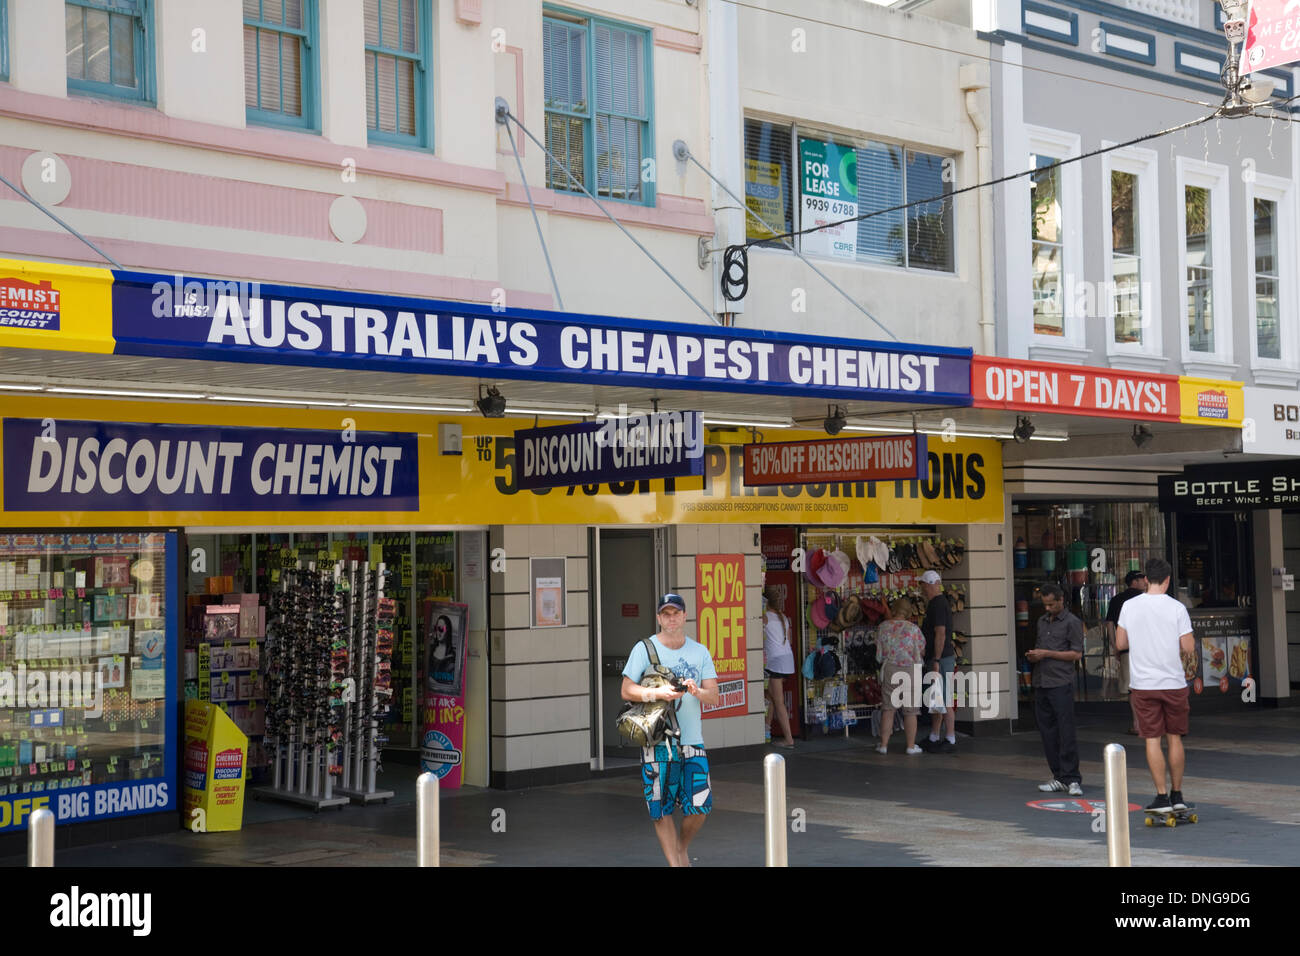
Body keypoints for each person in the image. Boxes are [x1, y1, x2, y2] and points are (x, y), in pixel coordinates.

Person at [620, 593, 720, 867]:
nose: (671, 618)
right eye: (666, 613)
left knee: (700, 807)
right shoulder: (645, 648)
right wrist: (658, 692)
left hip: (692, 741)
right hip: (657, 742)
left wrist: (696, 690)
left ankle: (680, 847)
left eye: (676, 613)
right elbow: (626, 689)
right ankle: (676, 864)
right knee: (660, 809)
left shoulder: (699, 651)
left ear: (684, 616)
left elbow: (714, 696)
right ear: (658, 618)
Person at [1116, 557, 1195, 815]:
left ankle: (1161, 797)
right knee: (1175, 737)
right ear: (1169, 580)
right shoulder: (1177, 608)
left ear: (1146, 579)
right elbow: (1188, 647)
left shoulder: (1129, 606)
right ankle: (1178, 795)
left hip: (1143, 684)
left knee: (1152, 739)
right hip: (1173, 682)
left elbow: (1120, 644)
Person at [1029, 583, 1084, 794]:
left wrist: (1046, 654)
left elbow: (1076, 654)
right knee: (1047, 732)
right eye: (1045, 604)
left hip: (1061, 682)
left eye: (1051, 604)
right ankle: (1058, 775)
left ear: (1061, 600)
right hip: (1042, 680)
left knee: (1065, 730)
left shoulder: (1072, 622)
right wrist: (1036, 655)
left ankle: (1072, 777)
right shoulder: (1042, 621)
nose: (1048, 608)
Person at [875, 596, 926, 755]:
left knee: (888, 709)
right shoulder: (913, 629)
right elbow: (922, 650)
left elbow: (879, 653)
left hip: (890, 668)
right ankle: (910, 746)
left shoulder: (883, 627)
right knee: (911, 711)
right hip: (910, 670)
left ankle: (883, 745)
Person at [918, 570, 956, 752]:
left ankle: (950, 737)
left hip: (941, 658)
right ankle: (934, 735)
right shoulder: (935, 603)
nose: (922, 588)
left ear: (931, 584)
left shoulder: (938, 605)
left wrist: (937, 659)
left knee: (944, 698)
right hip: (938, 657)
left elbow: (940, 633)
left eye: (924, 584)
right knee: (936, 698)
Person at [1105, 569, 1147, 734]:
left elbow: (1109, 624)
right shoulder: (1147, 599)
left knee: (1131, 688)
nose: (1145, 582)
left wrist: (1115, 645)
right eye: (1142, 579)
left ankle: (1137, 723)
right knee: (1149, 686)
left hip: (1127, 650)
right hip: (1148, 649)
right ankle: (1149, 722)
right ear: (1134, 582)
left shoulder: (1117, 599)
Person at [762, 589, 795, 749]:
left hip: (775, 661)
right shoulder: (783, 618)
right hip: (787, 659)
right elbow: (789, 639)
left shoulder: (765, 617)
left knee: (778, 701)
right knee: (771, 696)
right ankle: (766, 730)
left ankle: (789, 739)